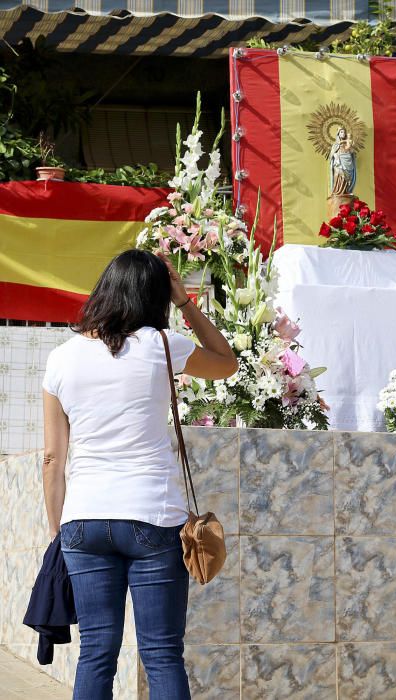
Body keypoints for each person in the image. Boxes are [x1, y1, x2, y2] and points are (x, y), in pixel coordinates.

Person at [41, 248, 238, 700]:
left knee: (96, 653)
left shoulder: (61, 358)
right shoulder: (163, 345)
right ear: (155, 296)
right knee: (162, 651)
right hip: (152, 516)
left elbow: (53, 458)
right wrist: (186, 302)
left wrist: (60, 531)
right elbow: (226, 363)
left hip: (82, 521)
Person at [329, 127, 356, 195]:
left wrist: (351, 148)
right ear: (338, 133)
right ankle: (336, 191)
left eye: (344, 132)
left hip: (347, 160)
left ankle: (346, 191)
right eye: (341, 132)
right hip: (339, 161)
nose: (343, 133)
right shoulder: (335, 144)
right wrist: (335, 155)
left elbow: (352, 152)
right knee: (338, 174)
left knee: (347, 177)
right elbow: (331, 154)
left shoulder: (348, 141)